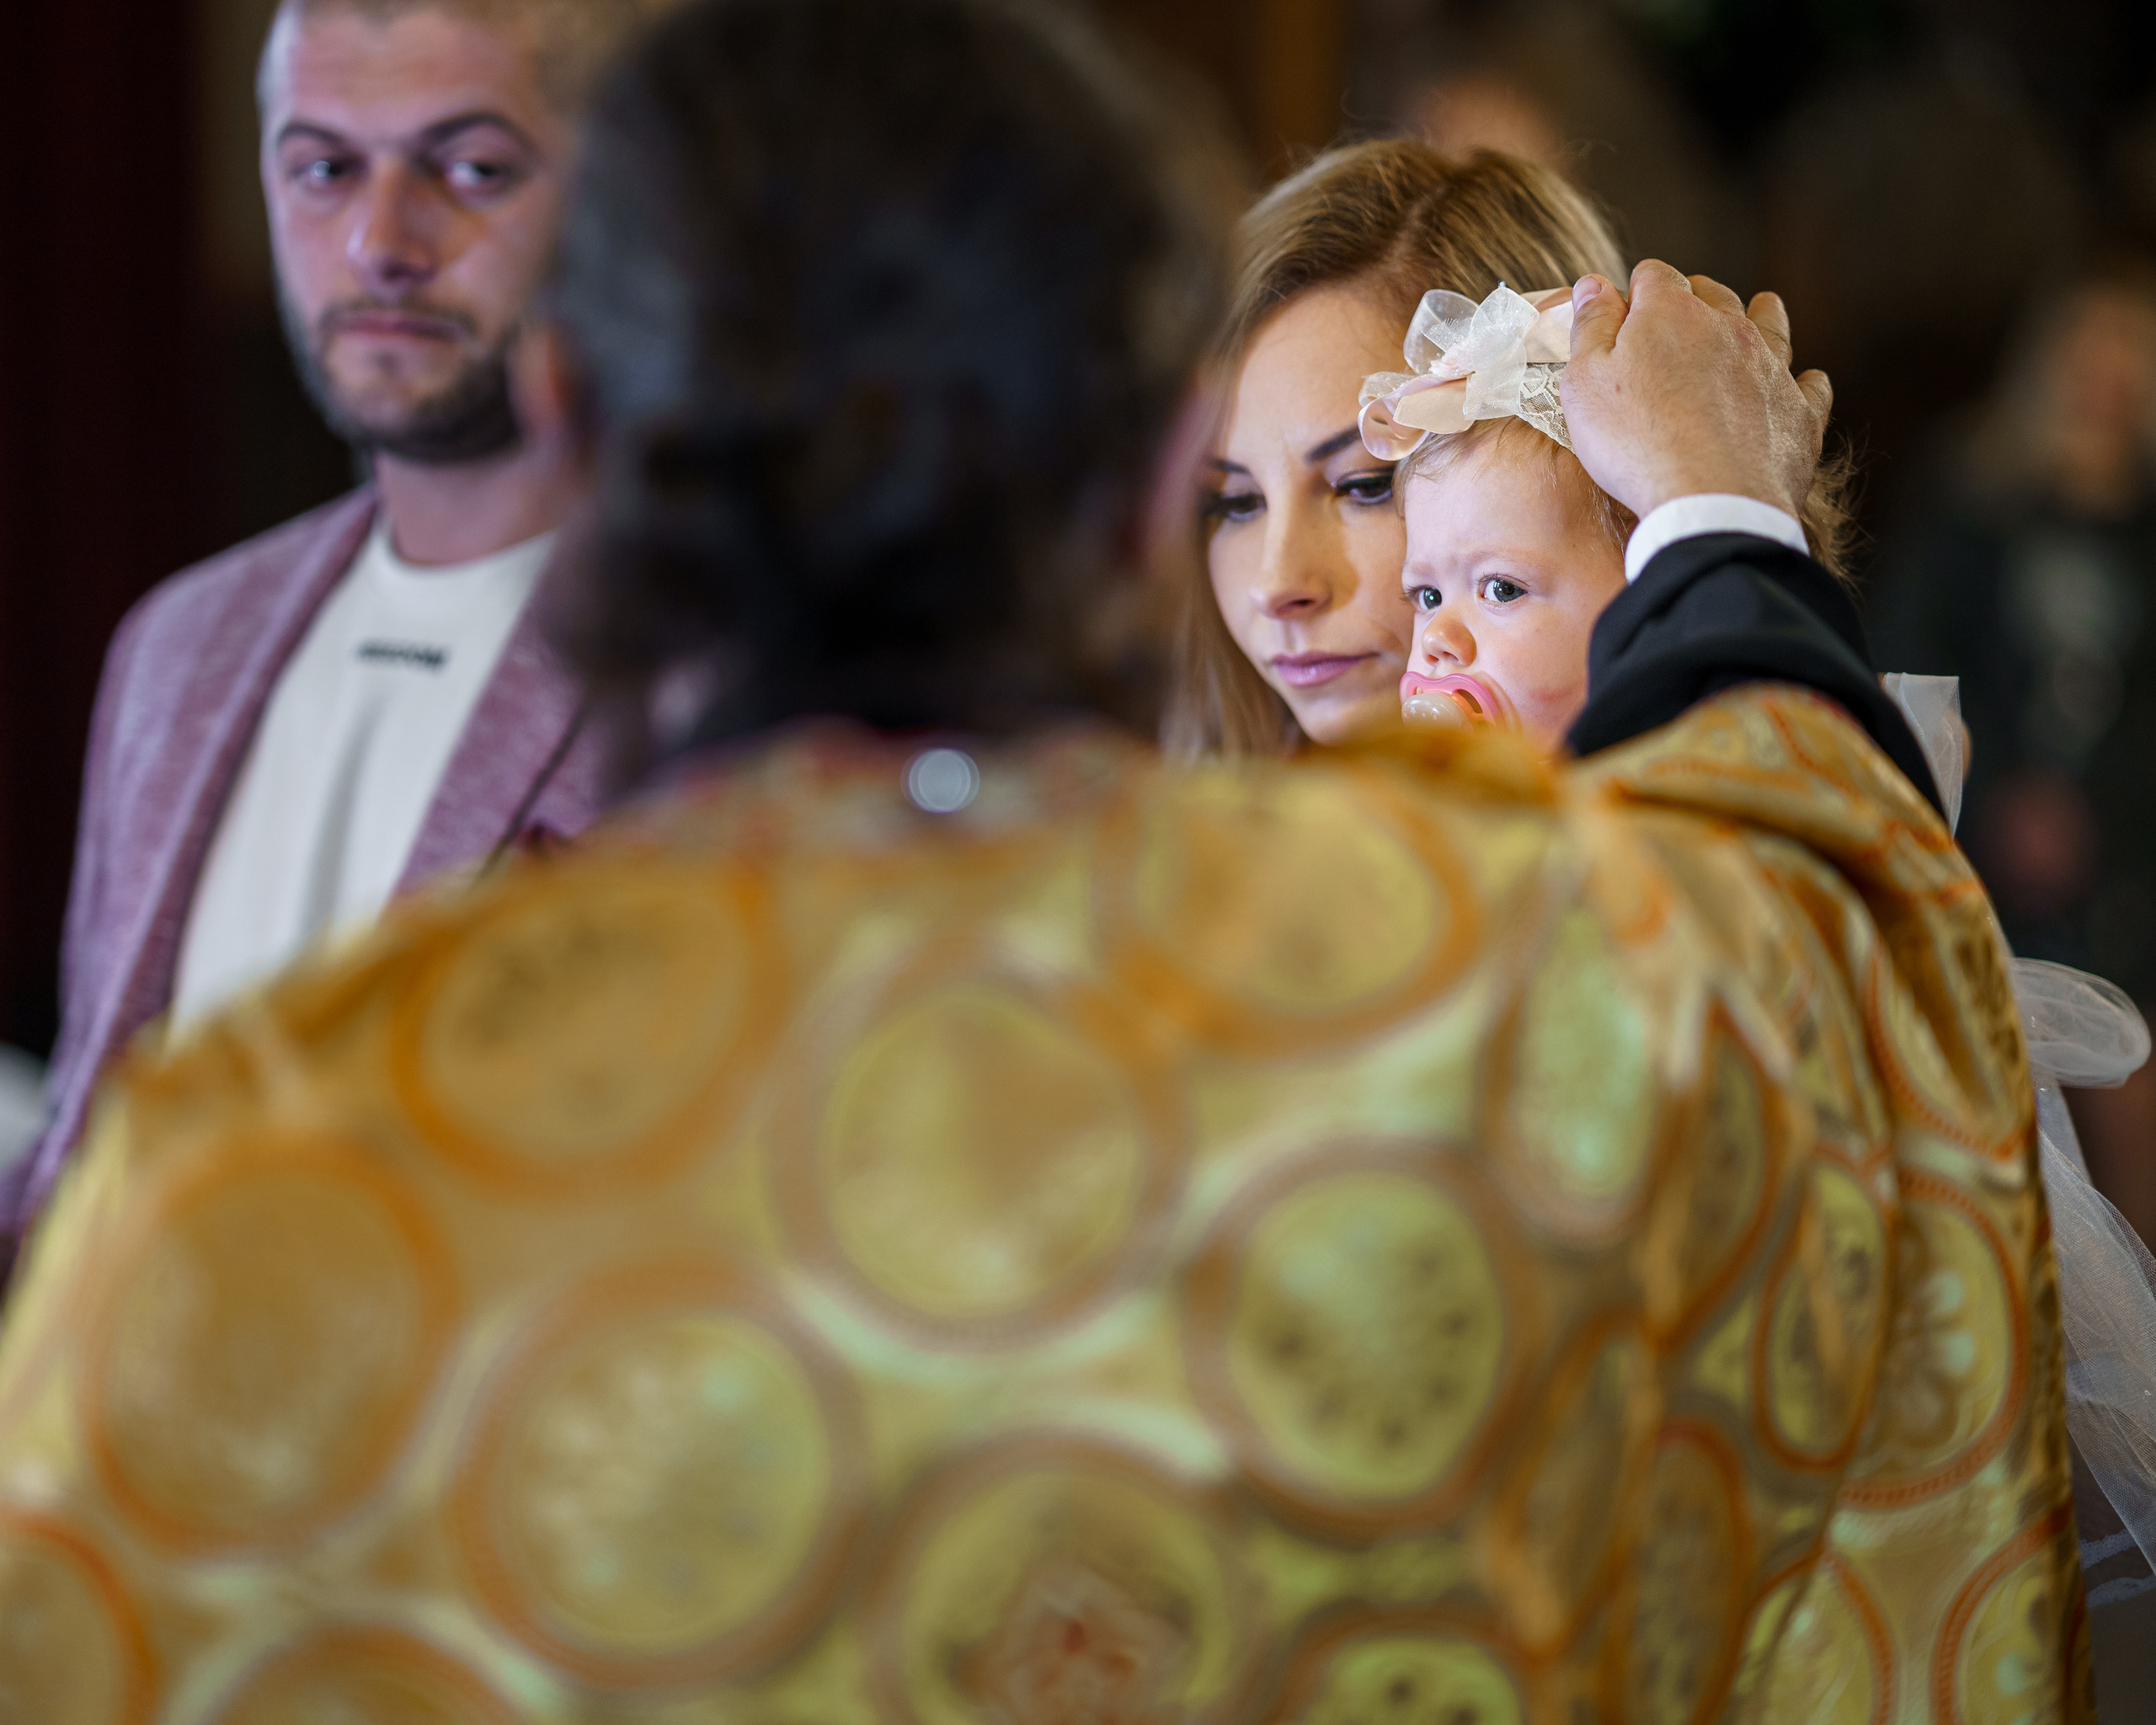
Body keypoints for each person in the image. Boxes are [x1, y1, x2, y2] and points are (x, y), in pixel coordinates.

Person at [0, 0, 2083, 1717]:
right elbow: (1827, 928)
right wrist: (1713, 512)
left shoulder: (244, 1174)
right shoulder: (1480, 1005)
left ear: (560, 407)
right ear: (1158, 473)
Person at [1, 0, 648, 1268]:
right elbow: (86, 1158)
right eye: (325, 168)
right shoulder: (179, 644)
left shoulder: (721, 663)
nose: (380, 240)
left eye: (472, 169)